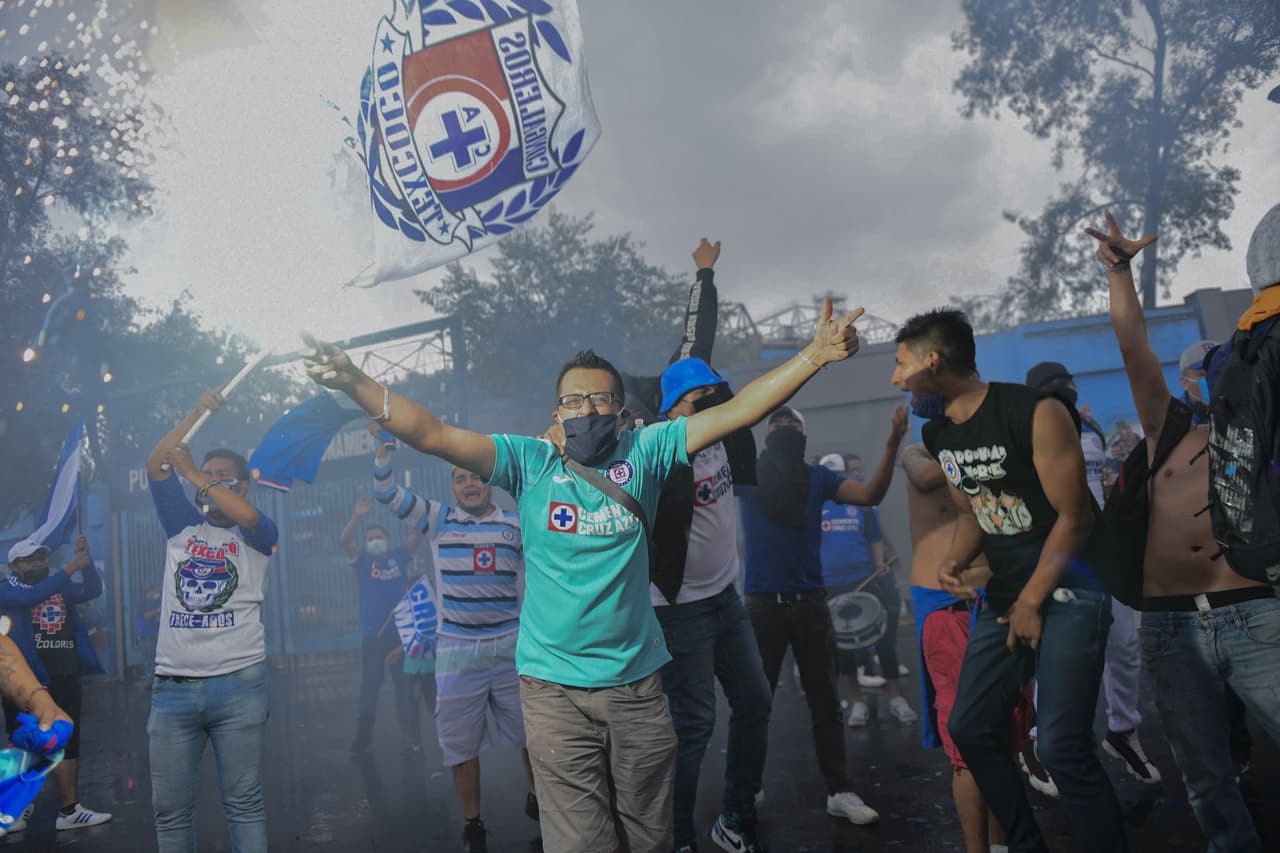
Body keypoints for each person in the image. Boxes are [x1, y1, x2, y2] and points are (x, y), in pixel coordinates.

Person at [304, 293, 866, 853]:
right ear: (556, 414)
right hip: (553, 693)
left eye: (601, 399)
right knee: (577, 844)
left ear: (623, 412)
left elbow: (738, 411)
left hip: (637, 689)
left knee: (651, 837)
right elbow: (431, 433)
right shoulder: (528, 461)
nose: (587, 409)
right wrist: (355, 380)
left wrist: (813, 356)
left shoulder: (647, 451)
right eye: (573, 401)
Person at [892, 308, 1126, 853]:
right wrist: (955, 559)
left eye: (900, 364)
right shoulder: (939, 432)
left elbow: (1076, 517)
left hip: (1070, 591)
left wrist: (1031, 600)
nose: (896, 378)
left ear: (934, 360)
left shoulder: (1035, 411)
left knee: (1065, 747)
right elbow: (976, 510)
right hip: (1008, 597)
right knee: (971, 728)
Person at [1086, 212, 1280, 852]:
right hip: (1170, 628)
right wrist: (1120, 272)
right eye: (1205, 370)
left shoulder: (1258, 436)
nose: (1213, 377)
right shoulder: (1165, 428)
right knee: (1205, 780)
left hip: (1252, 611)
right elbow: (1133, 346)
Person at [366, 425, 538, 853]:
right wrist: (382, 452)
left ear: (490, 481)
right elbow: (385, 494)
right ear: (453, 488)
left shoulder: (516, 525)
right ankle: (473, 823)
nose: (470, 484)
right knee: (460, 743)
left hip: (510, 646)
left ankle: (542, 798)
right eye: (460, 479)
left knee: (533, 734)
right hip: (457, 650)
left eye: (476, 476)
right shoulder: (438, 519)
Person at [741, 404, 908, 827]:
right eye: (775, 423)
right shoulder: (748, 475)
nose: (783, 428)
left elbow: (870, 495)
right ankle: (745, 788)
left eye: (791, 424)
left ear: (803, 434)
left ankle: (840, 791)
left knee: (825, 703)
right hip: (763, 605)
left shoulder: (819, 479)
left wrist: (891, 443)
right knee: (755, 704)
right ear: (766, 434)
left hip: (811, 604)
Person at [144, 389, 280, 853]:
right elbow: (155, 466)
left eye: (222, 478)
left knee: (243, 803)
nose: (210, 483)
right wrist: (196, 412)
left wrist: (193, 473)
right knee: (170, 812)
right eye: (207, 474)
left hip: (239, 684)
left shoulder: (256, 531)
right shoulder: (182, 524)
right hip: (172, 690)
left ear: (242, 487)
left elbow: (246, 514)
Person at [651, 356, 769, 853]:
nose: (717, 401)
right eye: (703, 396)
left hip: (726, 597)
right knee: (694, 724)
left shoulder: (720, 435)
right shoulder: (659, 449)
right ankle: (676, 836)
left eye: (718, 392)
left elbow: (751, 404)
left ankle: (736, 814)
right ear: (676, 407)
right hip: (679, 609)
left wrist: (706, 279)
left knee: (755, 701)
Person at [1023, 361, 1161, 787]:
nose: (1064, 392)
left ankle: (1122, 731)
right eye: (1053, 388)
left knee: (1124, 645)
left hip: (1103, 555)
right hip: (1062, 558)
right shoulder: (1028, 434)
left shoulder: (1092, 432)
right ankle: (1038, 740)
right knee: (1058, 654)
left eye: (1068, 384)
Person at [900, 442, 1026, 853]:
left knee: (1004, 733)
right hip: (945, 605)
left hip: (998, 599)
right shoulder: (916, 453)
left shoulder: (990, 447)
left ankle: (1002, 844)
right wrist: (983, 446)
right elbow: (925, 476)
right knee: (968, 738)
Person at [0, 534, 111, 832]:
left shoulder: (59, 585)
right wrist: (72, 565)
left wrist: (85, 564)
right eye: (31, 559)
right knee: (24, 740)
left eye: (42, 558)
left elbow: (92, 589)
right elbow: (30, 597)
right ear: (14, 564)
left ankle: (70, 810)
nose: (39, 563)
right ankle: (17, 809)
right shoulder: (6, 589)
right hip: (25, 680)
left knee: (68, 740)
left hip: (64, 673)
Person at [815, 453, 917, 727]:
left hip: (865, 580)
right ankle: (857, 702)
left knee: (883, 641)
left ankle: (897, 698)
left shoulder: (859, 504)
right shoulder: (814, 505)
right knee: (844, 646)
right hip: (831, 585)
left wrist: (880, 562)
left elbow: (874, 538)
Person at [339, 446, 423, 754]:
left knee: (405, 690)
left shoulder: (400, 556)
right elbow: (344, 541)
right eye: (370, 536)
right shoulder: (361, 561)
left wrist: (408, 507)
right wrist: (358, 517)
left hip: (400, 637)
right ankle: (363, 739)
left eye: (378, 536)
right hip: (373, 637)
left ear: (386, 539)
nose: (375, 539)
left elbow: (418, 533)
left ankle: (412, 739)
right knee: (369, 690)